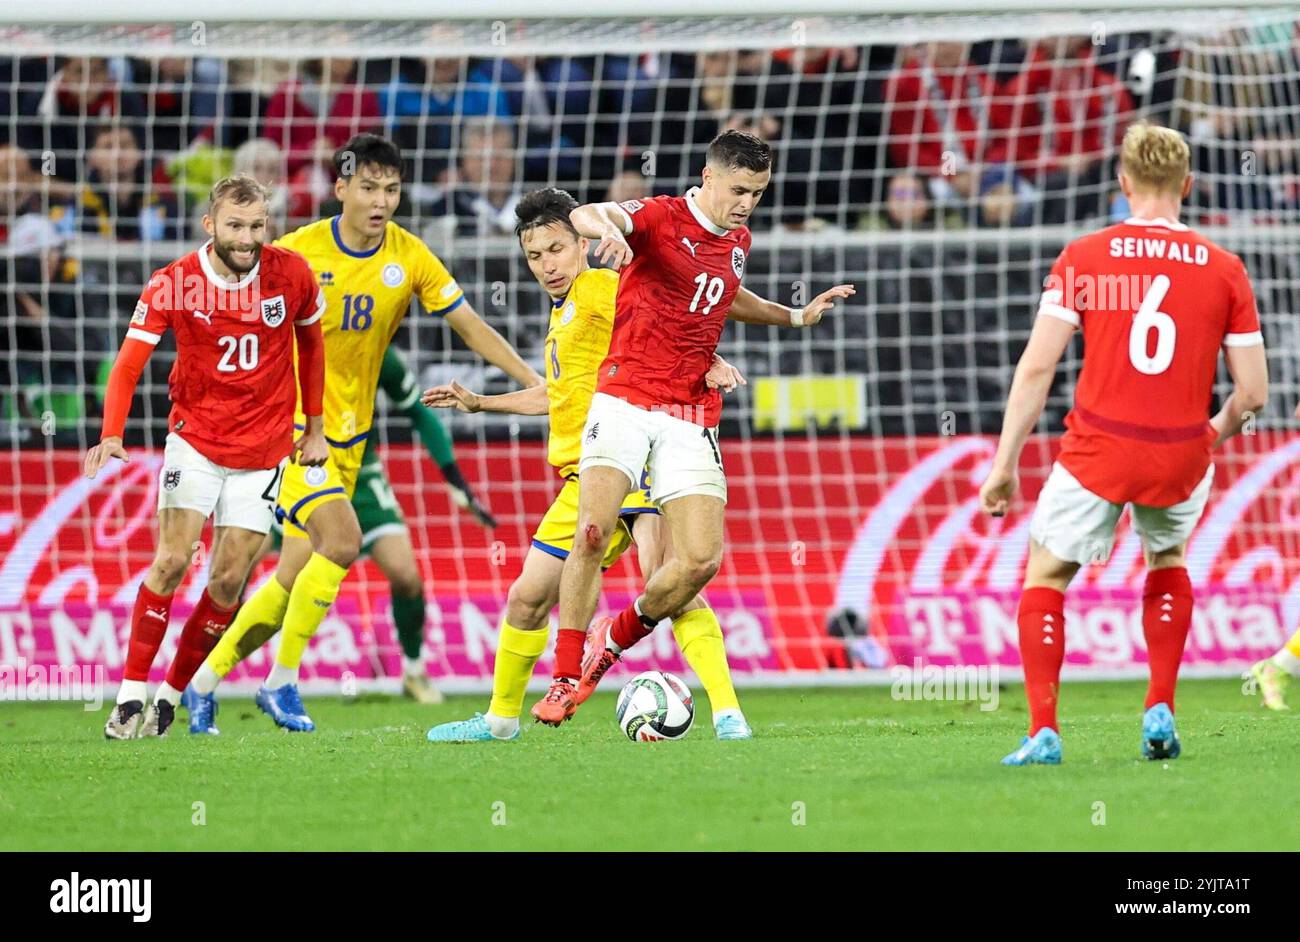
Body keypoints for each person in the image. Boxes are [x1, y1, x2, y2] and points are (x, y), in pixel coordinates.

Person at [184, 133, 541, 734]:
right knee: (344, 543)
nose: (381, 201)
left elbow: (470, 326)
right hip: (292, 433)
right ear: (341, 188)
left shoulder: (410, 256)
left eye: (392, 189)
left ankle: (200, 684)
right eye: (369, 188)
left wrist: (536, 380)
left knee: (291, 580)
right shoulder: (294, 254)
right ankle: (280, 683)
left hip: (350, 440)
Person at [532, 129, 854, 726]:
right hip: (624, 399)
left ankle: (614, 640)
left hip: (688, 411)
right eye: (738, 190)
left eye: (757, 193)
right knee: (595, 532)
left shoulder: (737, 240)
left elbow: (724, 295)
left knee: (701, 561)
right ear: (709, 177)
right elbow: (585, 214)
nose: (746, 203)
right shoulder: (657, 217)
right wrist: (603, 229)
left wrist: (795, 316)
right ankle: (562, 676)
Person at [978, 122, 1269, 765]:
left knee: (1047, 573)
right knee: (1167, 563)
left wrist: (1004, 465)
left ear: (1124, 183)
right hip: (1181, 454)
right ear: (1188, 185)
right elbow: (1253, 392)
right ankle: (1160, 706)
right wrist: (1207, 437)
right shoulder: (1225, 269)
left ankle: (1044, 730)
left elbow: (1037, 367)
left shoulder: (1086, 257)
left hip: (1099, 448)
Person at [424, 187, 753, 742]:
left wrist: (710, 358)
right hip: (586, 473)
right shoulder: (567, 309)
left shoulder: (601, 285)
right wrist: (483, 403)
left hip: (636, 459)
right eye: (535, 256)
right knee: (527, 596)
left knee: (668, 580)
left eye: (556, 249)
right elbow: (558, 394)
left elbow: (671, 314)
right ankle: (501, 720)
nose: (546, 264)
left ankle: (728, 714)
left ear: (583, 242)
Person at [86, 173, 328, 739]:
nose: (247, 238)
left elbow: (313, 344)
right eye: (235, 226)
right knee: (172, 561)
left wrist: (314, 428)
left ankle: (171, 696)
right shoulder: (173, 284)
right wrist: (112, 432)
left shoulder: (290, 273)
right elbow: (126, 365)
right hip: (194, 440)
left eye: (257, 226)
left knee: (226, 583)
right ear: (210, 225)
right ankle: (129, 695)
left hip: (266, 448)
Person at [251, 343, 496, 705]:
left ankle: (414, 672)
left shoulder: (376, 351)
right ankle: (217, 671)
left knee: (407, 576)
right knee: (253, 571)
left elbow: (419, 413)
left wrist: (455, 479)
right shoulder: (293, 345)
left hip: (361, 476)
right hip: (302, 469)